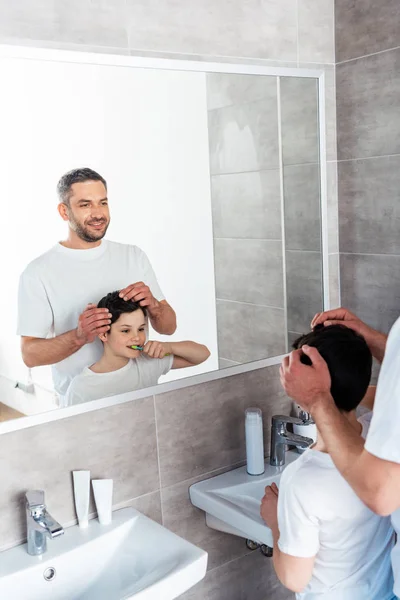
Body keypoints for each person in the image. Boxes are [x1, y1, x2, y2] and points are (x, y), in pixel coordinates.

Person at [260, 324, 395, 599]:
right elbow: (387, 400)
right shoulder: (381, 442)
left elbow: (294, 578)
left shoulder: (302, 479)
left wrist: (275, 522)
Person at [17, 168, 176, 399]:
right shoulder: (38, 272)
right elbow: (30, 355)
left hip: (143, 397)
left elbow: (168, 328)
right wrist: (79, 336)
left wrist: (154, 306)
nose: (98, 213)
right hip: (82, 407)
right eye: (85, 204)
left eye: (103, 203)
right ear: (64, 211)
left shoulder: (133, 256)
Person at [66, 291, 209, 404]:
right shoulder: (82, 387)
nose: (137, 338)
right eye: (126, 330)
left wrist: (168, 347)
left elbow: (203, 354)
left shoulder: (148, 362)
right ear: (103, 334)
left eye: (141, 329)